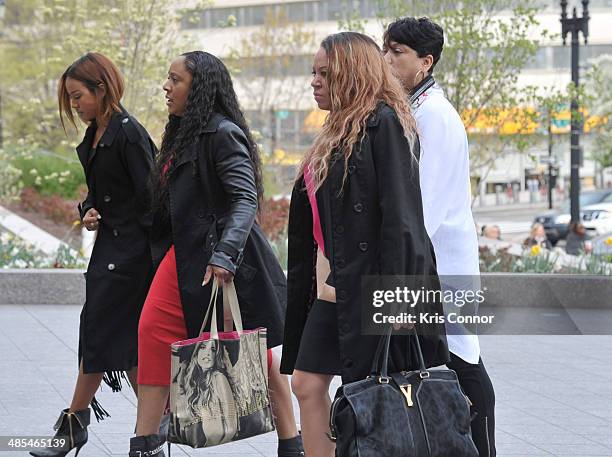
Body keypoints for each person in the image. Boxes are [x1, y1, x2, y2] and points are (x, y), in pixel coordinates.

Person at [280, 32, 449, 457]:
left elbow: (403, 219)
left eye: (325, 73)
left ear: (351, 74)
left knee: (380, 393)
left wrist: (399, 297)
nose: (314, 82)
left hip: (376, 287)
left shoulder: (385, 122)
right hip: (335, 286)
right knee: (307, 382)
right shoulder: (334, 130)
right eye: (313, 73)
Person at [130, 51, 303, 457]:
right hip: (187, 256)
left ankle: (292, 444)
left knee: (253, 351)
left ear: (200, 87)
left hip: (223, 261)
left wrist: (224, 256)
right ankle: (145, 443)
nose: (166, 87)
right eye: (167, 78)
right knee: (154, 336)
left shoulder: (221, 132)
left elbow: (245, 199)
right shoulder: (183, 132)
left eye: (175, 80)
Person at [31, 52, 156, 457]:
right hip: (110, 251)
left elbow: (152, 199)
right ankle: (150, 432)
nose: (74, 105)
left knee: (101, 334)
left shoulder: (129, 133)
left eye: (77, 95)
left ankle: (76, 422)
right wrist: (88, 212)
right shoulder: (96, 134)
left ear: (101, 88)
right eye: (70, 98)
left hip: (131, 257)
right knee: (122, 343)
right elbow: (99, 193)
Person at [383, 17, 496, 456]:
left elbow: (421, 208)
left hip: (440, 267)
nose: (387, 59)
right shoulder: (416, 108)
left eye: (398, 52)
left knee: (461, 364)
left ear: (425, 62)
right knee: (440, 365)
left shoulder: (435, 116)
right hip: (425, 266)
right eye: (386, 49)